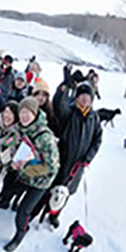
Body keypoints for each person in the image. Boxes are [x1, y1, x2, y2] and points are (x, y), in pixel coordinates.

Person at [4, 97, 60, 252]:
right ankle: (3, 201)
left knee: (22, 213)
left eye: (28, 112)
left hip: (41, 181)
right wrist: (14, 158)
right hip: (25, 175)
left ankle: (20, 234)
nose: (24, 115)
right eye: (22, 111)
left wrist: (24, 168)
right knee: (7, 188)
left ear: (35, 114)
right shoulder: (21, 129)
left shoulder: (45, 137)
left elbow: (52, 166)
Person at [50, 79, 102, 227]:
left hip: (78, 165)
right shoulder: (70, 112)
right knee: (52, 187)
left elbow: (97, 140)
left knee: (66, 192)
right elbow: (58, 104)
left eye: (88, 96)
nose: (85, 98)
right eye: (82, 95)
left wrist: (88, 158)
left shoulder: (94, 118)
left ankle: (55, 215)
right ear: (77, 97)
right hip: (63, 159)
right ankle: (39, 210)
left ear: (91, 99)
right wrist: (64, 87)